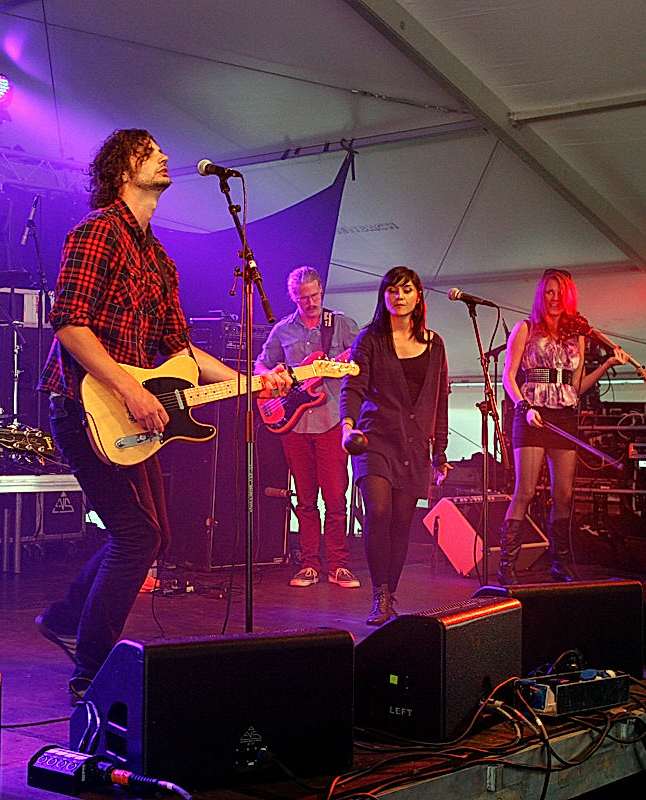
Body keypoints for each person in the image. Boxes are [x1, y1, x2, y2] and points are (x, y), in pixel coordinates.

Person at [33, 129, 289, 702]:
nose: (164, 157)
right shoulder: (97, 231)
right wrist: (129, 389)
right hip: (83, 406)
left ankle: (65, 617)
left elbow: (180, 350)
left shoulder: (157, 257)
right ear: (123, 169)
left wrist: (251, 382)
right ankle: (90, 673)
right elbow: (69, 324)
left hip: (130, 411)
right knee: (137, 536)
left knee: (153, 535)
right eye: (150, 152)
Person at [498, 269, 627, 584]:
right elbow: (509, 377)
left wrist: (607, 364)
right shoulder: (525, 328)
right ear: (541, 295)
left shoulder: (576, 336)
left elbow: (577, 386)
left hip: (564, 414)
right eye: (549, 292)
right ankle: (507, 566)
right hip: (531, 411)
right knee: (525, 490)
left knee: (565, 494)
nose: (554, 298)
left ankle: (561, 562)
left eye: (560, 293)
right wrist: (524, 407)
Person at [340, 267, 449, 626]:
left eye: (406, 290)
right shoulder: (370, 339)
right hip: (374, 438)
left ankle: (391, 591)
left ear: (418, 296)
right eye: (392, 290)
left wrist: (440, 451)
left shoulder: (435, 344)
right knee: (379, 510)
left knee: (402, 521)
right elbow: (353, 387)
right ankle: (380, 595)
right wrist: (347, 425)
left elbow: (440, 400)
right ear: (383, 296)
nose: (398, 296)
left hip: (414, 446)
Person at [255, 266, 360, 589]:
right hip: (294, 422)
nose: (311, 302)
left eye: (315, 296)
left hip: (331, 419)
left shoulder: (341, 324)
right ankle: (309, 564)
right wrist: (270, 379)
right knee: (305, 500)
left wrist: (347, 367)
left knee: (335, 498)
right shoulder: (283, 329)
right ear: (293, 298)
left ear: (321, 291)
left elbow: (361, 359)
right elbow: (261, 364)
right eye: (303, 298)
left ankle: (338, 565)